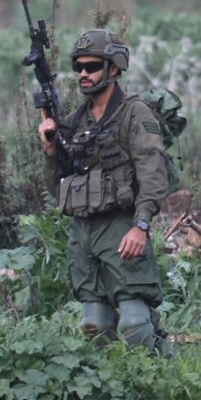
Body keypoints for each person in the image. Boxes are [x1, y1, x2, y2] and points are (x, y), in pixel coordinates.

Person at [37, 28, 171, 353]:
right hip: (83, 230)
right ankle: (111, 378)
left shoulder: (133, 113)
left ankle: (162, 374)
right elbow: (58, 189)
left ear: (113, 68)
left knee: (134, 322)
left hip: (120, 224)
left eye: (92, 66)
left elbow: (153, 172)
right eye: (79, 66)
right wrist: (51, 150)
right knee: (93, 325)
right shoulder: (73, 123)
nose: (83, 74)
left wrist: (141, 225)